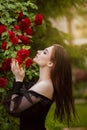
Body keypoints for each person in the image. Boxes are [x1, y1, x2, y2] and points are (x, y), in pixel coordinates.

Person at [4, 44, 76, 130]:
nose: (39, 51)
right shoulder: (40, 83)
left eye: (45, 52)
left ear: (50, 63)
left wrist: (18, 80)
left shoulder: (45, 85)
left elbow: (13, 108)